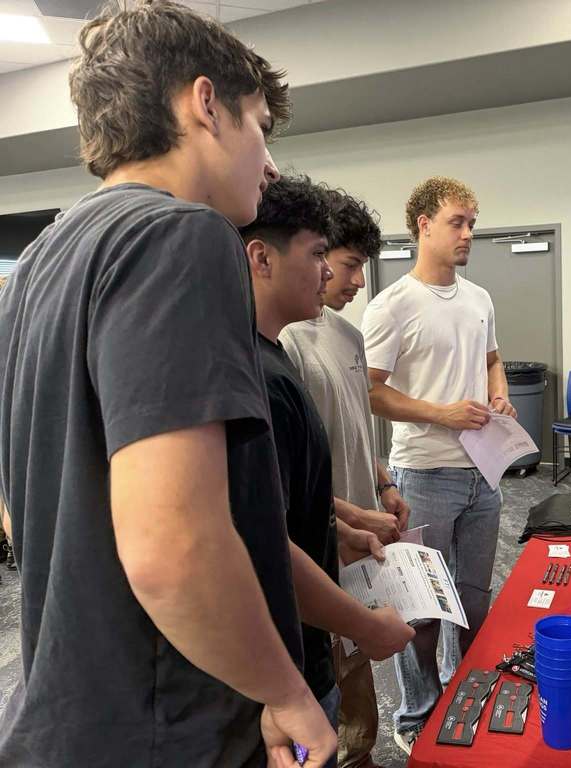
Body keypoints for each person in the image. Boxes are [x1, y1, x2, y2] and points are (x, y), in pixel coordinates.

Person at [2, 3, 325, 766]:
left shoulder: (38, 264)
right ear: (205, 103)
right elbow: (171, 549)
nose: (270, 165)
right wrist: (286, 693)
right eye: (260, 129)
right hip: (169, 724)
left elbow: (21, 497)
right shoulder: (182, 235)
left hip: (72, 706)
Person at [240, 176, 415, 768]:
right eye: (330, 259)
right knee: (318, 702)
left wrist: (378, 491)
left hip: (342, 543)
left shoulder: (345, 335)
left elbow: (346, 433)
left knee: (351, 693)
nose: (349, 279)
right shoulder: (271, 352)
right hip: (307, 566)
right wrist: (344, 516)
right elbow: (266, 513)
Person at [362, 176, 516, 752]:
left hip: (483, 474)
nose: (468, 233)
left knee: (474, 600)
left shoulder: (479, 299)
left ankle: (466, 693)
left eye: (472, 222)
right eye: (458, 222)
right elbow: (370, 391)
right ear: (423, 224)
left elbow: (494, 358)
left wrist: (498, 392)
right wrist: (441, 414)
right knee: (420, 612)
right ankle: (415, 715)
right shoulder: (392, 305)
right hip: (422, 475)